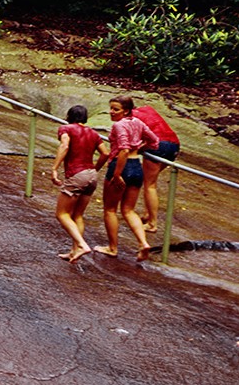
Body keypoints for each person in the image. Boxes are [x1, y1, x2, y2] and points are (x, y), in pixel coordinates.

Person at [99, 95, 159, 260]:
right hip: (136, 167)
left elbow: (123, 149)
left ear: (125, 111)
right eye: (111, 108)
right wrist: (139, 147)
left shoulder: (119, 125)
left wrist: (117, 174)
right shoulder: (138, 123)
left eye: (116, 109)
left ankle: (112, 248)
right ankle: (143, 243)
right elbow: (154, 141)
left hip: (121, 166)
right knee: (128, 210)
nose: (111, 112)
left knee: (110, 210)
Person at [49, 105, 105, 263]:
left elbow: (65, 145)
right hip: (91, 176)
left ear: (69, 116)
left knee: (62, 214)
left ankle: (81, 245)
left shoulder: (66, 129)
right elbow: (105, 153)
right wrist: (95, 169)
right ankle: (74, 251)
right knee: (77, 215)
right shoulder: (93, 133)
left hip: (76, 175)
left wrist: (54, 168)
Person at [131, 101, 181, 233]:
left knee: (150, 184)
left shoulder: (131, 118)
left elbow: (138, 142)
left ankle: (153, 223)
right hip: (174, 145)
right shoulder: (147, 109)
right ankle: (148, 215)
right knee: (149, 181)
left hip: (159, 146)